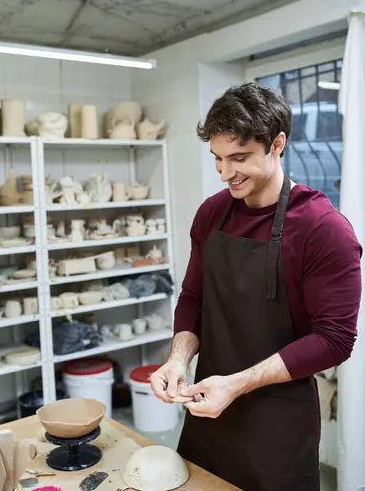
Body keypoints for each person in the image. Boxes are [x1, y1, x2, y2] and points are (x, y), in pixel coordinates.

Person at [150, 83, 362, 491]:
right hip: (207, 410)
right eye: (217, 158)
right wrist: (178, 360)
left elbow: (334, 340)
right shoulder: (212, 214)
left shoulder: (324, 229)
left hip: (277, 426)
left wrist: (236, 383)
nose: (225, 173)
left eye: (239, 158)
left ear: (277, 144)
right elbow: (194, 298)